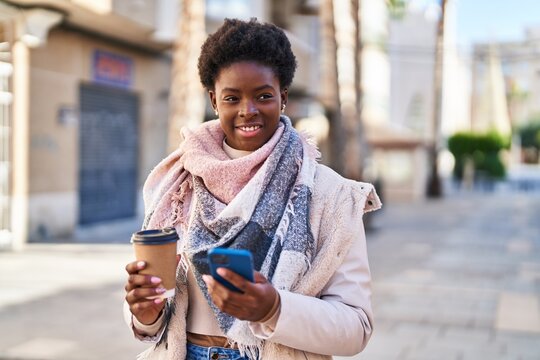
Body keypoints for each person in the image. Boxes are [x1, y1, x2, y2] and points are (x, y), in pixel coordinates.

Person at [123, 18, 381, 360]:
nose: (248, 110)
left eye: (263, 96)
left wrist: (274, 308)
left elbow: (356, 327)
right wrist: (145, 314)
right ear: (214, 101)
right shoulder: (177, 183)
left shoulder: (330, 194)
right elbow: (156, 307)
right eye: (232, 98)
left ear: (283, 97)